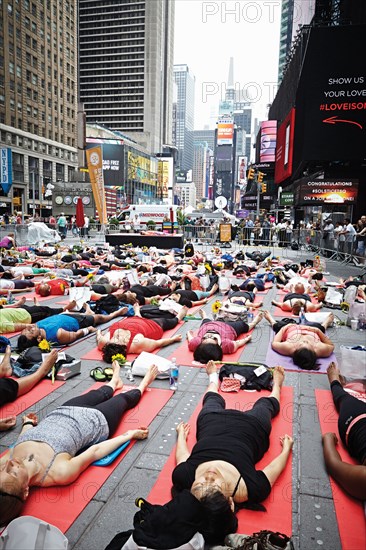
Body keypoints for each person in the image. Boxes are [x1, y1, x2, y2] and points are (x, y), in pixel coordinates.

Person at [0, 362, 158, 526]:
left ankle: (114, 381)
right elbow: (95, 452)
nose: (10, 463)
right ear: (26, 491)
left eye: (3, 470)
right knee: (124, 398)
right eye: (13, 472)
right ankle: (144, 384)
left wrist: (27, 424)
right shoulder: (58, 472)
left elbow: (22, 441)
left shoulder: (5, 463)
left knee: (101, 392)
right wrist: (129, 435)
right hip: (97, 421)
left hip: (66, 409)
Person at [172, 363, 293, 543]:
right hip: (252, 429)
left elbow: (182, 456)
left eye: (200, 485)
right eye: (215, 487)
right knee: (266, 405)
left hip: (212, 423)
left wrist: (181, 435)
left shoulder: (184, 477)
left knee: (212, 399)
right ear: (230, 501)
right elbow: (273, 468)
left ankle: (213, 377)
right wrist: (286, 449)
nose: (208, 478)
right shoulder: (250, 489)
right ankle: (277, 384)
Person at [322, 363, 366, 501]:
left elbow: (335, 466)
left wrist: (328, 439)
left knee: (343, 398)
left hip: (356, 422)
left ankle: (335, 382)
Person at [17, 303, 128, 349]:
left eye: (27, 329)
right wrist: (88, 330)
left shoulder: (36, 326)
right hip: (78, 321)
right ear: (39, 338)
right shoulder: (58, 335)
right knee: (100, 318)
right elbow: (75, 335)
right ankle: (116, 314)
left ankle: (88, 311)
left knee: (88, 314)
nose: (30, 327)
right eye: (31, 331)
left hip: (65, 315)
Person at [96, 304, 187, 361]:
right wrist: (173, 339)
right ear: (124, 347)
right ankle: (179, 317)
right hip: (152, 326)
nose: (118, 336)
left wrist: (98, 332)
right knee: (166, 321)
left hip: (132, 320)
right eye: (118, 340)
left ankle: (137, 314)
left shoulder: (103, 343)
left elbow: (99, 337)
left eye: (114, 338)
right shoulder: (137, 344)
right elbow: (157, 343)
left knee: (145, 313)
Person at [263, 310, 334, 370]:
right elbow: (331, 345)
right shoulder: (320, 349)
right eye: (307, 343)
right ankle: (326, 323)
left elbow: (274, 343)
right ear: (314, 351)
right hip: (311, 329)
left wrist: (284, 328)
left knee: (278, 326)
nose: (304, 341)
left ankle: (271, 320)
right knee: (321, 328)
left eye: (301, 344)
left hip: (291, 328)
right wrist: (318, 330)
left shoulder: (289, 348)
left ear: (295, 351)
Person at [186, 310, 263, 363]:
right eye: (214, 338)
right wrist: (247, 339)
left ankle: (204, 316)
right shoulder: (226, 345)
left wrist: (189, 333)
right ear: (219, 345)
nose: (210, 335)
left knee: (205, 320)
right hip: (230, 327)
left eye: (205, 338)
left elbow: (190, 338)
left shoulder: (195, 343)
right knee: (244, 326)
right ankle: (254, 322)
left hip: (208, 324)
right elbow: (237, 343)